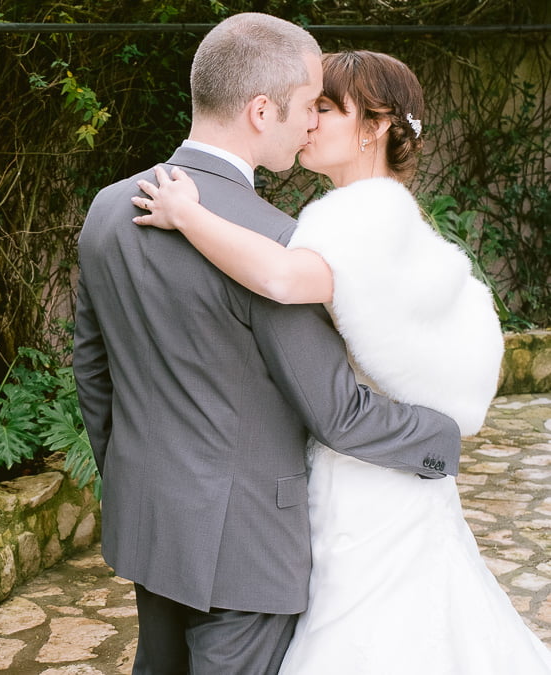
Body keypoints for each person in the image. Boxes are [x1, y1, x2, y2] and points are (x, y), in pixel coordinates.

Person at [132, 50, 551, 673]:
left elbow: (280, 278)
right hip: (367, 467)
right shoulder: (377, 210)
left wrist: (188, 215)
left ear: (375, 126)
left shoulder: (366, 212)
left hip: (365, 472)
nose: (308, 122)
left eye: (325, 108)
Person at [73, 15, 462, 675]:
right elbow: (338, 414)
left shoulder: (108, 208)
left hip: (150, 522)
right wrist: (442, 442)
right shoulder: (278, 243)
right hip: (247, 547)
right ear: (261, 110)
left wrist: (143, 481)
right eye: (309, 104)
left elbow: (93, 373)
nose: (312, 122)